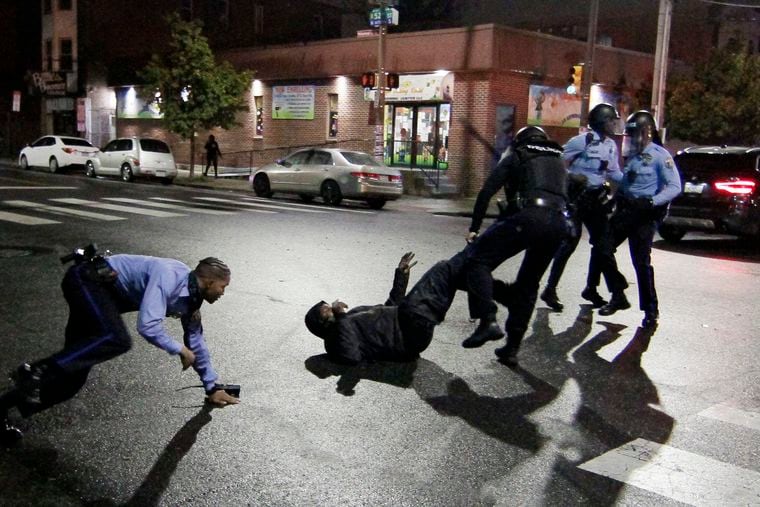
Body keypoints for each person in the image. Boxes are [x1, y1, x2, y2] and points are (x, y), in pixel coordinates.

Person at [1, 247, 239, 445]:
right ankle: (36, 372)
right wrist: (177, 348)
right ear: (208, 282)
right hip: (86, 280)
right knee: (117, 339)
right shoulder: (170, 275)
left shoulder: (192, 300)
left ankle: (8, 403)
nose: (223, 293)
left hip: (102, 298)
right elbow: (148, 326)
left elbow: (196, 343)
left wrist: (211, 387)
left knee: (71, 381)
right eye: (223, 287)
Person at [460, 126, 570, 365]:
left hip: (530, 218)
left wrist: (474, 228)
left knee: (477, 260)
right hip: (559, 224)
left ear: (521, 141)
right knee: (529, 285)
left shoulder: (518, 155)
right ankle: (512, 347)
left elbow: (486, 192)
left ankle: (487, 319)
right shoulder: (559, 161)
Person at [305, 251, 471, 365]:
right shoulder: (333, 344)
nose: (333, 308)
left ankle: (475, 253)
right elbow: (352, 357)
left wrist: (401, 275)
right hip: (408, 336)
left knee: (449, 273)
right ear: (322, 324)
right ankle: (475, 253)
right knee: (443, 270)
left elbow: (391, 306)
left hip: (406, 318)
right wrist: (341, 316)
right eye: (327, 311)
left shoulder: (351, 317)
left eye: (329, 306)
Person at [595, 111, 681, 328]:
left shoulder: (661, 156)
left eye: (635, 134)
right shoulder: (633, 157)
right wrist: (613, 199)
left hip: (645, 214)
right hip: (627, 210)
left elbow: (674, 187)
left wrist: (652, 202)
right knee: (602, 248)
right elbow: (627, 184)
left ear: (647, 133)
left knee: (641, 262)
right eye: (629, 135)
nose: (631, 139)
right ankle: (618, 293)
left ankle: (651, 310)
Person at [539, 103, 626, 312]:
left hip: (596, 200)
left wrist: (632, 182)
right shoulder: (581, 142)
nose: (614, 125)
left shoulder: (611, 145)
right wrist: (572, 177)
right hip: (576, 198)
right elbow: (557, 164)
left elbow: (613, 172)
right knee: (569, 243)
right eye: (611, 121)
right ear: (601, 122)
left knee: (604, 246)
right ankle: (550, 289)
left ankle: (608, 292)